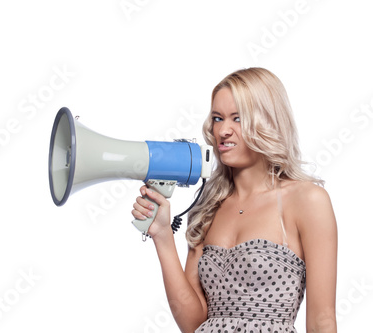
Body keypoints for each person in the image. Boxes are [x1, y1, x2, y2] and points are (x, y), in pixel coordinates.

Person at [132, 67, 337, 333]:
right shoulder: (208, 206)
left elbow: (323, 321)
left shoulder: (307, 200)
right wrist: (162, 235)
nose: (223, 131)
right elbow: (193, 323)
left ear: (268, 122)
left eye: (237, 118)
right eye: (218, 118)